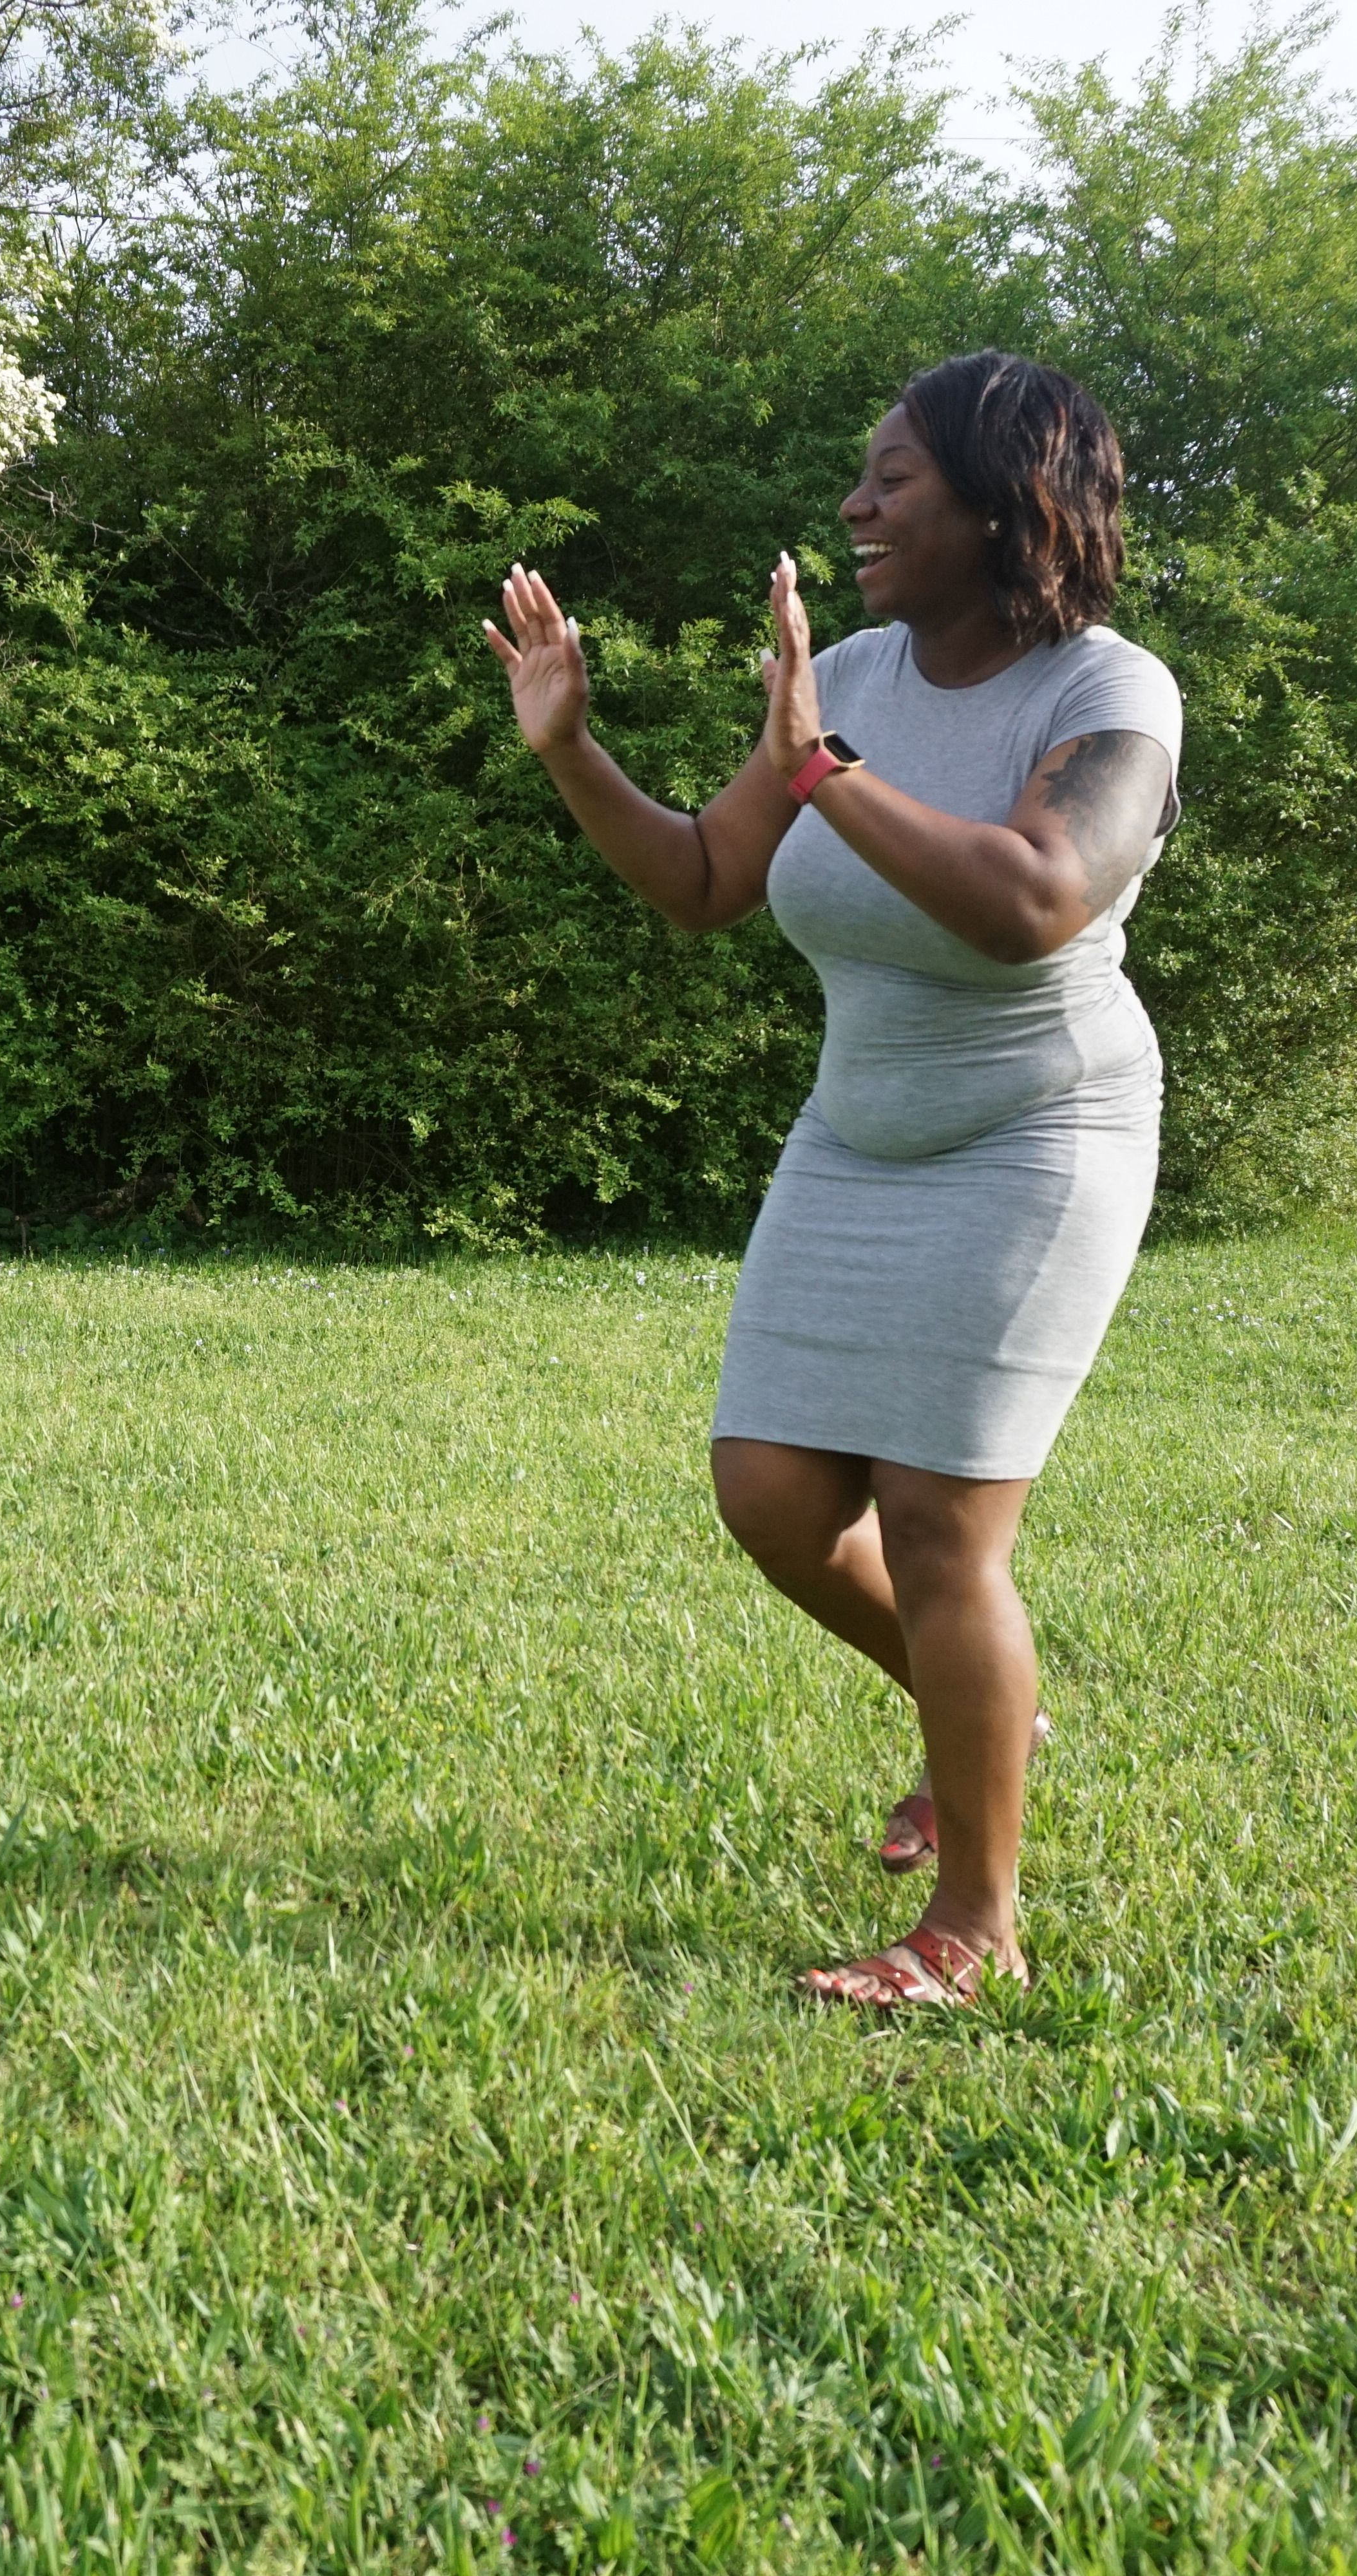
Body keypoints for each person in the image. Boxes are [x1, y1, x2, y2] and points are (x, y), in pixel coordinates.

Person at [484, 350, 1179, 2010]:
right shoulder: (855, 667)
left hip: (1040, 1134)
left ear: (1008, 506)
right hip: (859, 1129)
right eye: (861, 479)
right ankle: (984, 1714)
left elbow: (1031, 900)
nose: (857, 507)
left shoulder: (1111, 695)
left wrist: (824, 768)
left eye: (896, 481)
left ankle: (973, 1923)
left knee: (943, 1524)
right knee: (776, 1498)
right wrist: (571, 747)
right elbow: (710, 879)